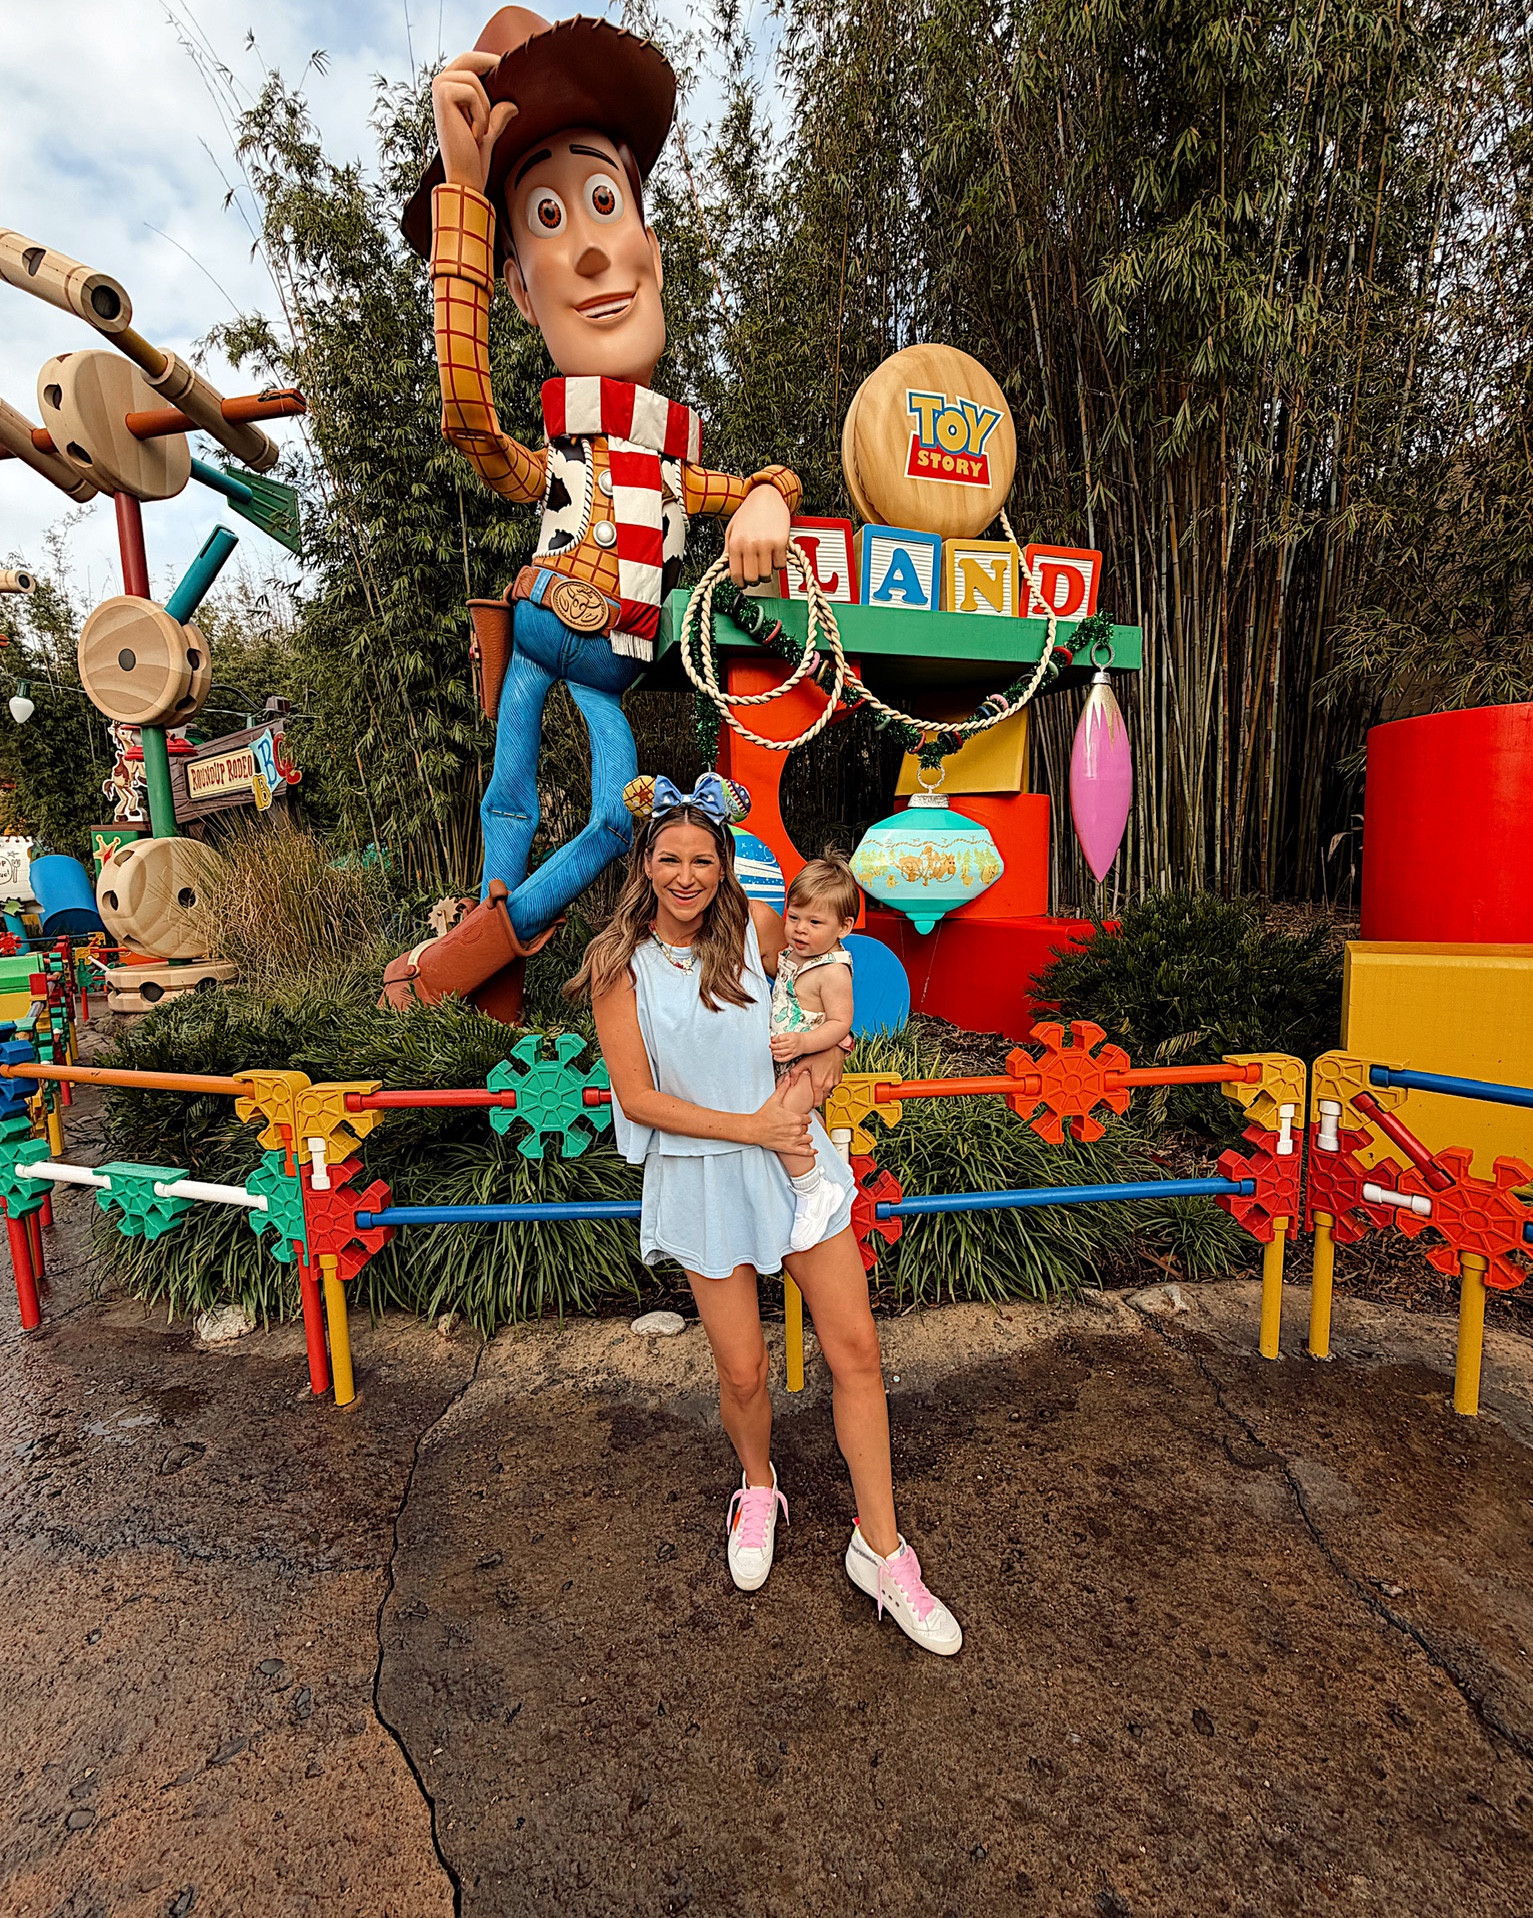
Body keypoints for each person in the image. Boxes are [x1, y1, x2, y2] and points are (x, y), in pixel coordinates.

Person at [386, 10, 800, 1018]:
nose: (585, 254)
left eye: (601, 201)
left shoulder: (673, 468)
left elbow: (768, 481)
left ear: (649, 246)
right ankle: (489, 961)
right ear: (520, 293)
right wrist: (463, 198)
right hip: (538, 629)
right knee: (509, 795)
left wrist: (765, 496)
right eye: (545, 218)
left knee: (621, 818)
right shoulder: (558, 451)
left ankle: (481, 947)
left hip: (612, 659)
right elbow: (468, 418)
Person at [567, 772, 963, 1656]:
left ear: (723, 866)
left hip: (794, 1165)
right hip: (705, 1174)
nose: (685, 875)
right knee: (742, 1372)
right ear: (643, 864)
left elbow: (828, 992)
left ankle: (881, 1549)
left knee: (857, 1353)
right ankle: (757, 1486)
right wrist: (751, 1125)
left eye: (701, 860)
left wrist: (824, 1061)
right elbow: (639, 1097)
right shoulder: (616, 966)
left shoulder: (754, 928)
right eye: (669, 858)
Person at [768, 857, 859, 1253]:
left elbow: (840, 1023)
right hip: (787, 1059)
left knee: (784, 1120)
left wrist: (805, 1045)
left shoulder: (833, 971)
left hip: (807, 1061)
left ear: (844, 927)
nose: (800, 929)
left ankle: (812, 1192)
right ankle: (827, 1175)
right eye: (794, 917)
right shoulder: (793, 955)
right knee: (805, 1124)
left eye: (815, 922)